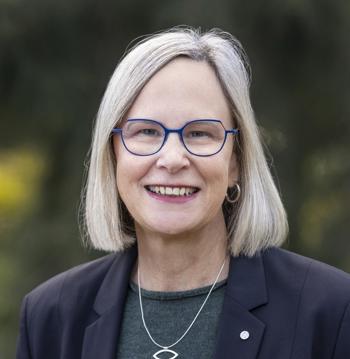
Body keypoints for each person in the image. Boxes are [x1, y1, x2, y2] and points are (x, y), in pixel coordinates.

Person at [16, 26, 350, 359]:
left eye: (200, 133)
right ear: (113, 153)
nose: (173, 159)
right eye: (146, 131)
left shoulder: (331, 310)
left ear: (236, 160)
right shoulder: (50, 317)